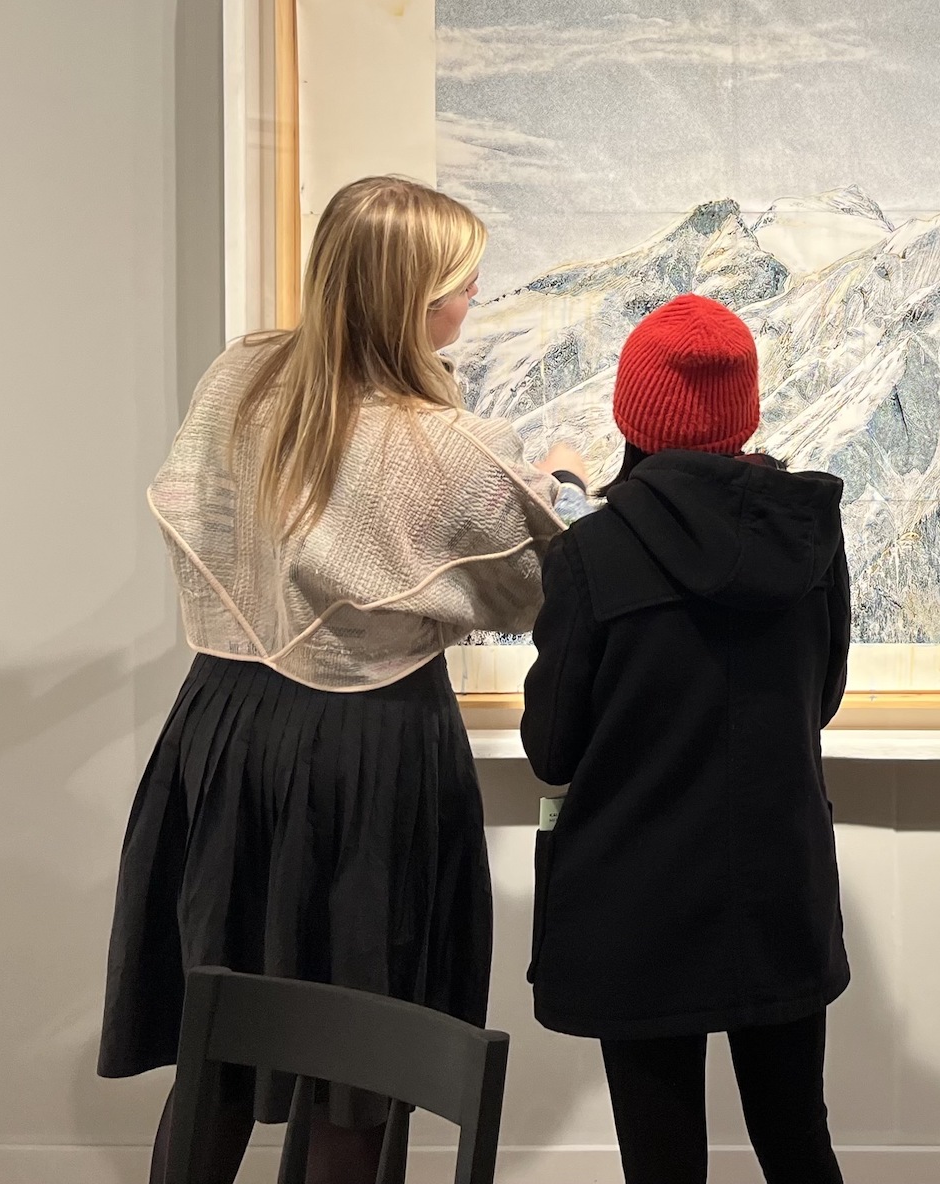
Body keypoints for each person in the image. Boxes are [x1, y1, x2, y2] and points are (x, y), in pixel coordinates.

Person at [100, 176, 587, 1184]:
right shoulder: (450, 448)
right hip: (371, 747)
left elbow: (207, 506)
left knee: (215, 1049)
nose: (474, 296)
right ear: (411, 301)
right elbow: (547, 582)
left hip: (223, 728)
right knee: (359, 1069)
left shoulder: (243, 379)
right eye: (459, 283)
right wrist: (570, 481)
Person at [524, 294, 852, 1184]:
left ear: (632, 415)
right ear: (744, 412)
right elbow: (820, 700)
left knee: (662, 1163)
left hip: (638, 903)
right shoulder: (810, 534)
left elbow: (552, 750)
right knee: (798, 1141)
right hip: (781, 887)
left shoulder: (591, 555)